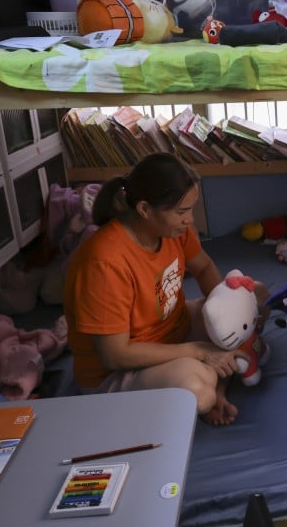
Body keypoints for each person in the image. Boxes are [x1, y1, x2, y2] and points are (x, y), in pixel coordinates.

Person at [62, 153, 264, 425]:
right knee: (198, 389)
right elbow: (115, 355)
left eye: (191, 209)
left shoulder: (174, 230)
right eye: (182, 212)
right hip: (118, 373)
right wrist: (199, 350)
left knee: (255, 297)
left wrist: (228, 311)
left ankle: (217, 381)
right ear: (145, 209)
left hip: (174, 334)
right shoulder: (104, 262)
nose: (190, 220)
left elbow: (203, 268)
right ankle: (213, 387)